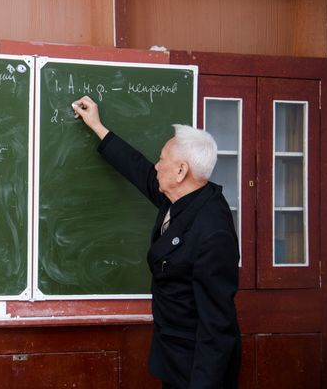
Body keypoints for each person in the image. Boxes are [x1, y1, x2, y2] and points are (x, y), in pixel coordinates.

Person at [72, 96, 241, 389]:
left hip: (198, 368)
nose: (156, 165)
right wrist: (98, 127)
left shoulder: (213, 232)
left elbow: (216, 326)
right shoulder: (182, 196)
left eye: (162, 159)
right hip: (175, 355)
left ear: (181, 171)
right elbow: (138, 168)